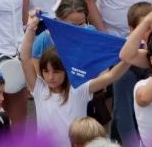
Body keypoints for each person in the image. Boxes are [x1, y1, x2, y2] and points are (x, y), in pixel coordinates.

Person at [20, 8, 129, 146]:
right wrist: (31, 27)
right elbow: (25, 58)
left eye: (56, 71)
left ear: (66, 71)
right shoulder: (39, 88)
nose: (50, 77)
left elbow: (111, 76)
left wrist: (129, 58)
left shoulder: (78, 89)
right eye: (45, 71)